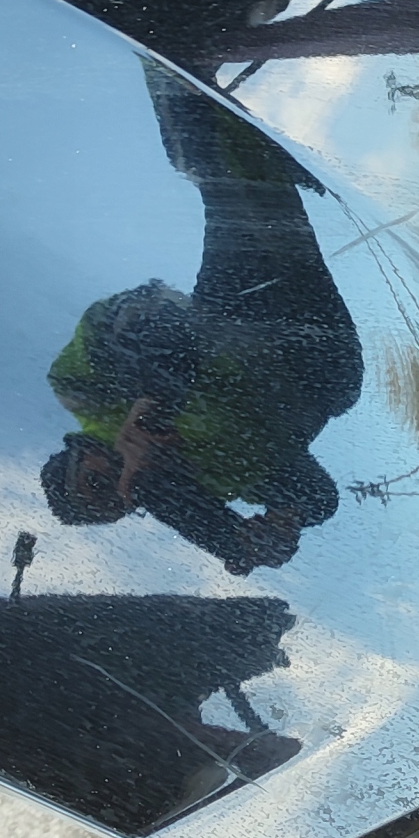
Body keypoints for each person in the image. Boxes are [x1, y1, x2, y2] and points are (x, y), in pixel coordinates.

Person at [41, 76, 362, 574]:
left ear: (78, 456)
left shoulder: (80, 391)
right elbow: (319, 494)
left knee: (223, 177)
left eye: (101, 482)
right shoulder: (216, 481)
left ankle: (171, 64)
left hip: (240, 313)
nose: (126, 483)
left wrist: (150, 412)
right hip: (322, 365)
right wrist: (283, 522)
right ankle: (215, 100)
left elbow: (149, 314)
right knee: (264, 193)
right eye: (130, 501)